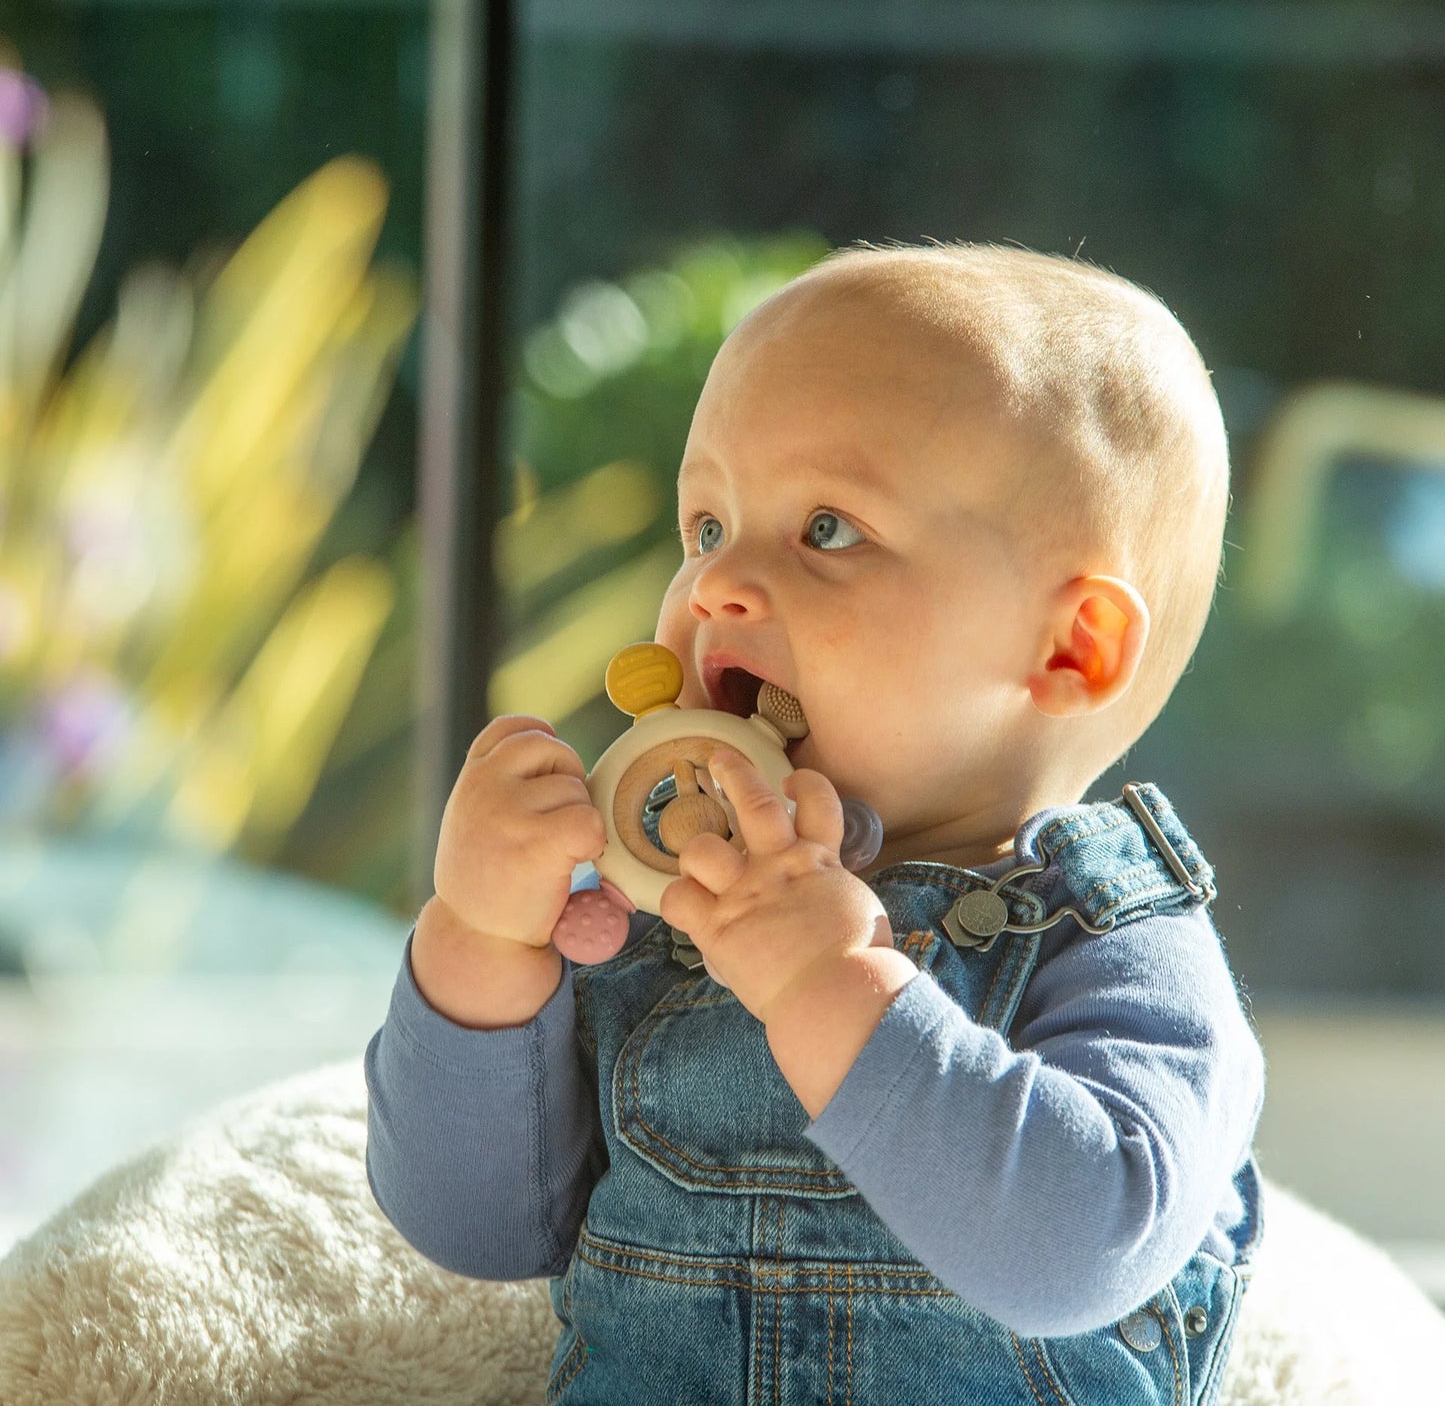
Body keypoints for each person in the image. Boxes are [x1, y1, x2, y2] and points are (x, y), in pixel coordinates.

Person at [366, 242, 1265, 1405]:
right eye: (704, 526)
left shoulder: (1118, 943)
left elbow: (1077, 1247)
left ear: (1066, 648)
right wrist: (479, 940)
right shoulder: (662, 911)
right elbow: (473, 1227)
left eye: (827, 529)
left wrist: (830, 986)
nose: (714, 588)